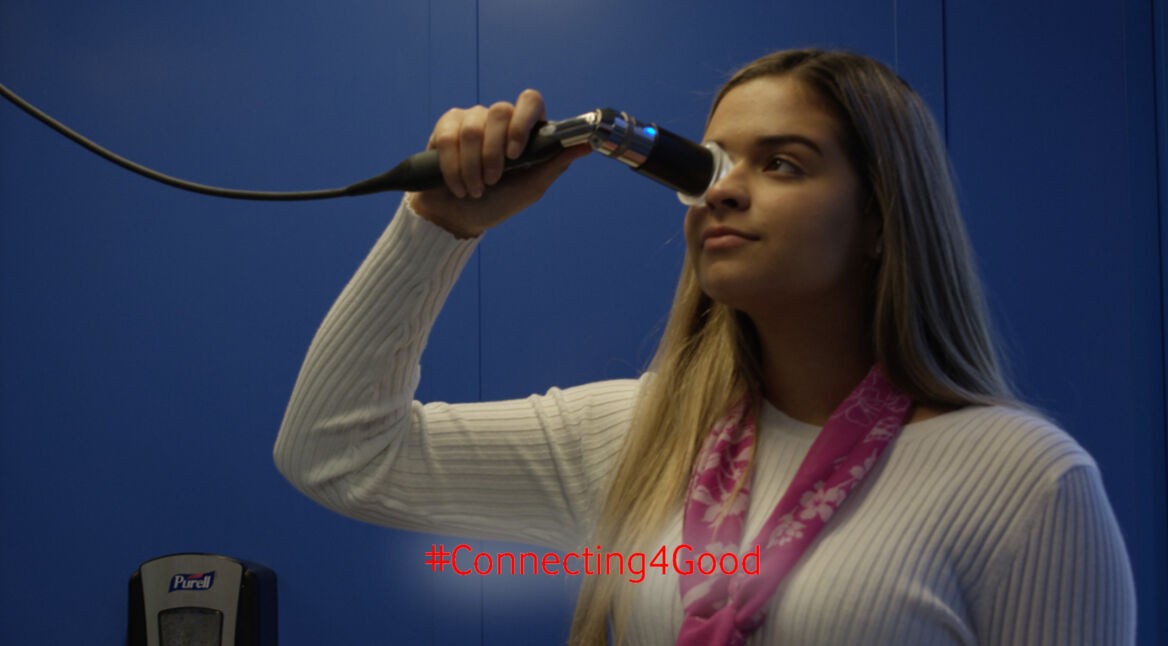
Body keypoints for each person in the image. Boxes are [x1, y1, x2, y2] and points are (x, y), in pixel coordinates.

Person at [274, 49, 1136, 644]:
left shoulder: (1024, 482)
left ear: (881, 219)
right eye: (713, 163)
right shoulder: (642, 439)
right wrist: (437, 226)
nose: (721, 191)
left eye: (782, 164)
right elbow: (337, 454)